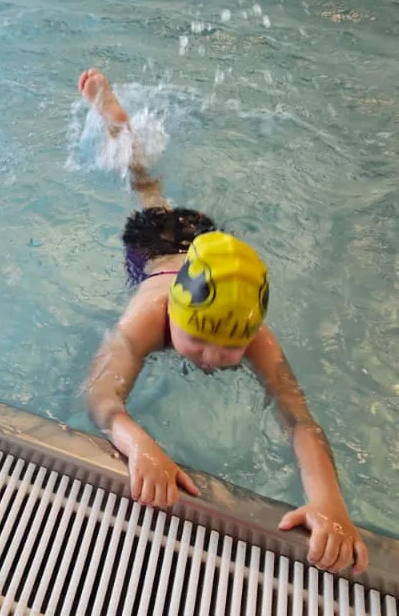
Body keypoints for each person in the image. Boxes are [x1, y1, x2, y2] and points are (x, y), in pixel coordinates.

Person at [76, 68, 368, 575]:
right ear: (174, 313)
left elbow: (298, 418)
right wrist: (138, 444)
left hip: (204, 244)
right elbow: (98, 395)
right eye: (198, 340)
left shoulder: (250, 328)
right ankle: (117, 124)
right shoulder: (150, 313)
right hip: (156, 247)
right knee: (147, 191)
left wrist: (328, 503)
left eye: (230, 346)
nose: (211, 358)